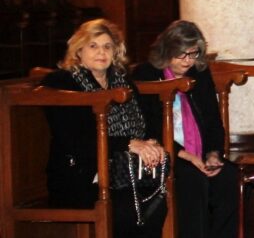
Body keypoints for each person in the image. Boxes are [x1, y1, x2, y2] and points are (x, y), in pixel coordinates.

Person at [40, 19, 167, 238]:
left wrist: (151, 144)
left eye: (107, 46)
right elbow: (74, 139)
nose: (101, 52)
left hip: (126, 174)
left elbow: (148, 123)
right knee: (127, 208)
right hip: (80, 175)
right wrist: (128, 144)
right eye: (93, 46)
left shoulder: (123, 82)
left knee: (156, 202)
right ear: (78, 50)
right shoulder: (61, 82)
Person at [132, 20, 238, 238]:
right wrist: (185, 155)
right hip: (166, 154)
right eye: (182, 54)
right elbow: (148, 128)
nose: (188, 60)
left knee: (228, 176)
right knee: (193, 179)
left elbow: (213, 120)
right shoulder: (146, 73)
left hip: (199, 152)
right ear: (167, 50)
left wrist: (213, 154)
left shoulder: (199, 73)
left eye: (193, 53)